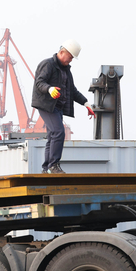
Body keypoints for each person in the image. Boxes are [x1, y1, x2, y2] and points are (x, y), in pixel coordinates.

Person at [31, 40, 95, 174]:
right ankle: (53, 165)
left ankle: (47, 168)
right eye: (70, 57)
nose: (71, 60)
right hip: (47, 105)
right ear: (62, 52)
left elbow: (72, 91)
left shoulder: (66, 71)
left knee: (52, 135)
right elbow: (39, 82)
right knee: (59, 132)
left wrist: (86, 103)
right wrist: (49, 89)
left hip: (58, 107)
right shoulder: (48, 64)